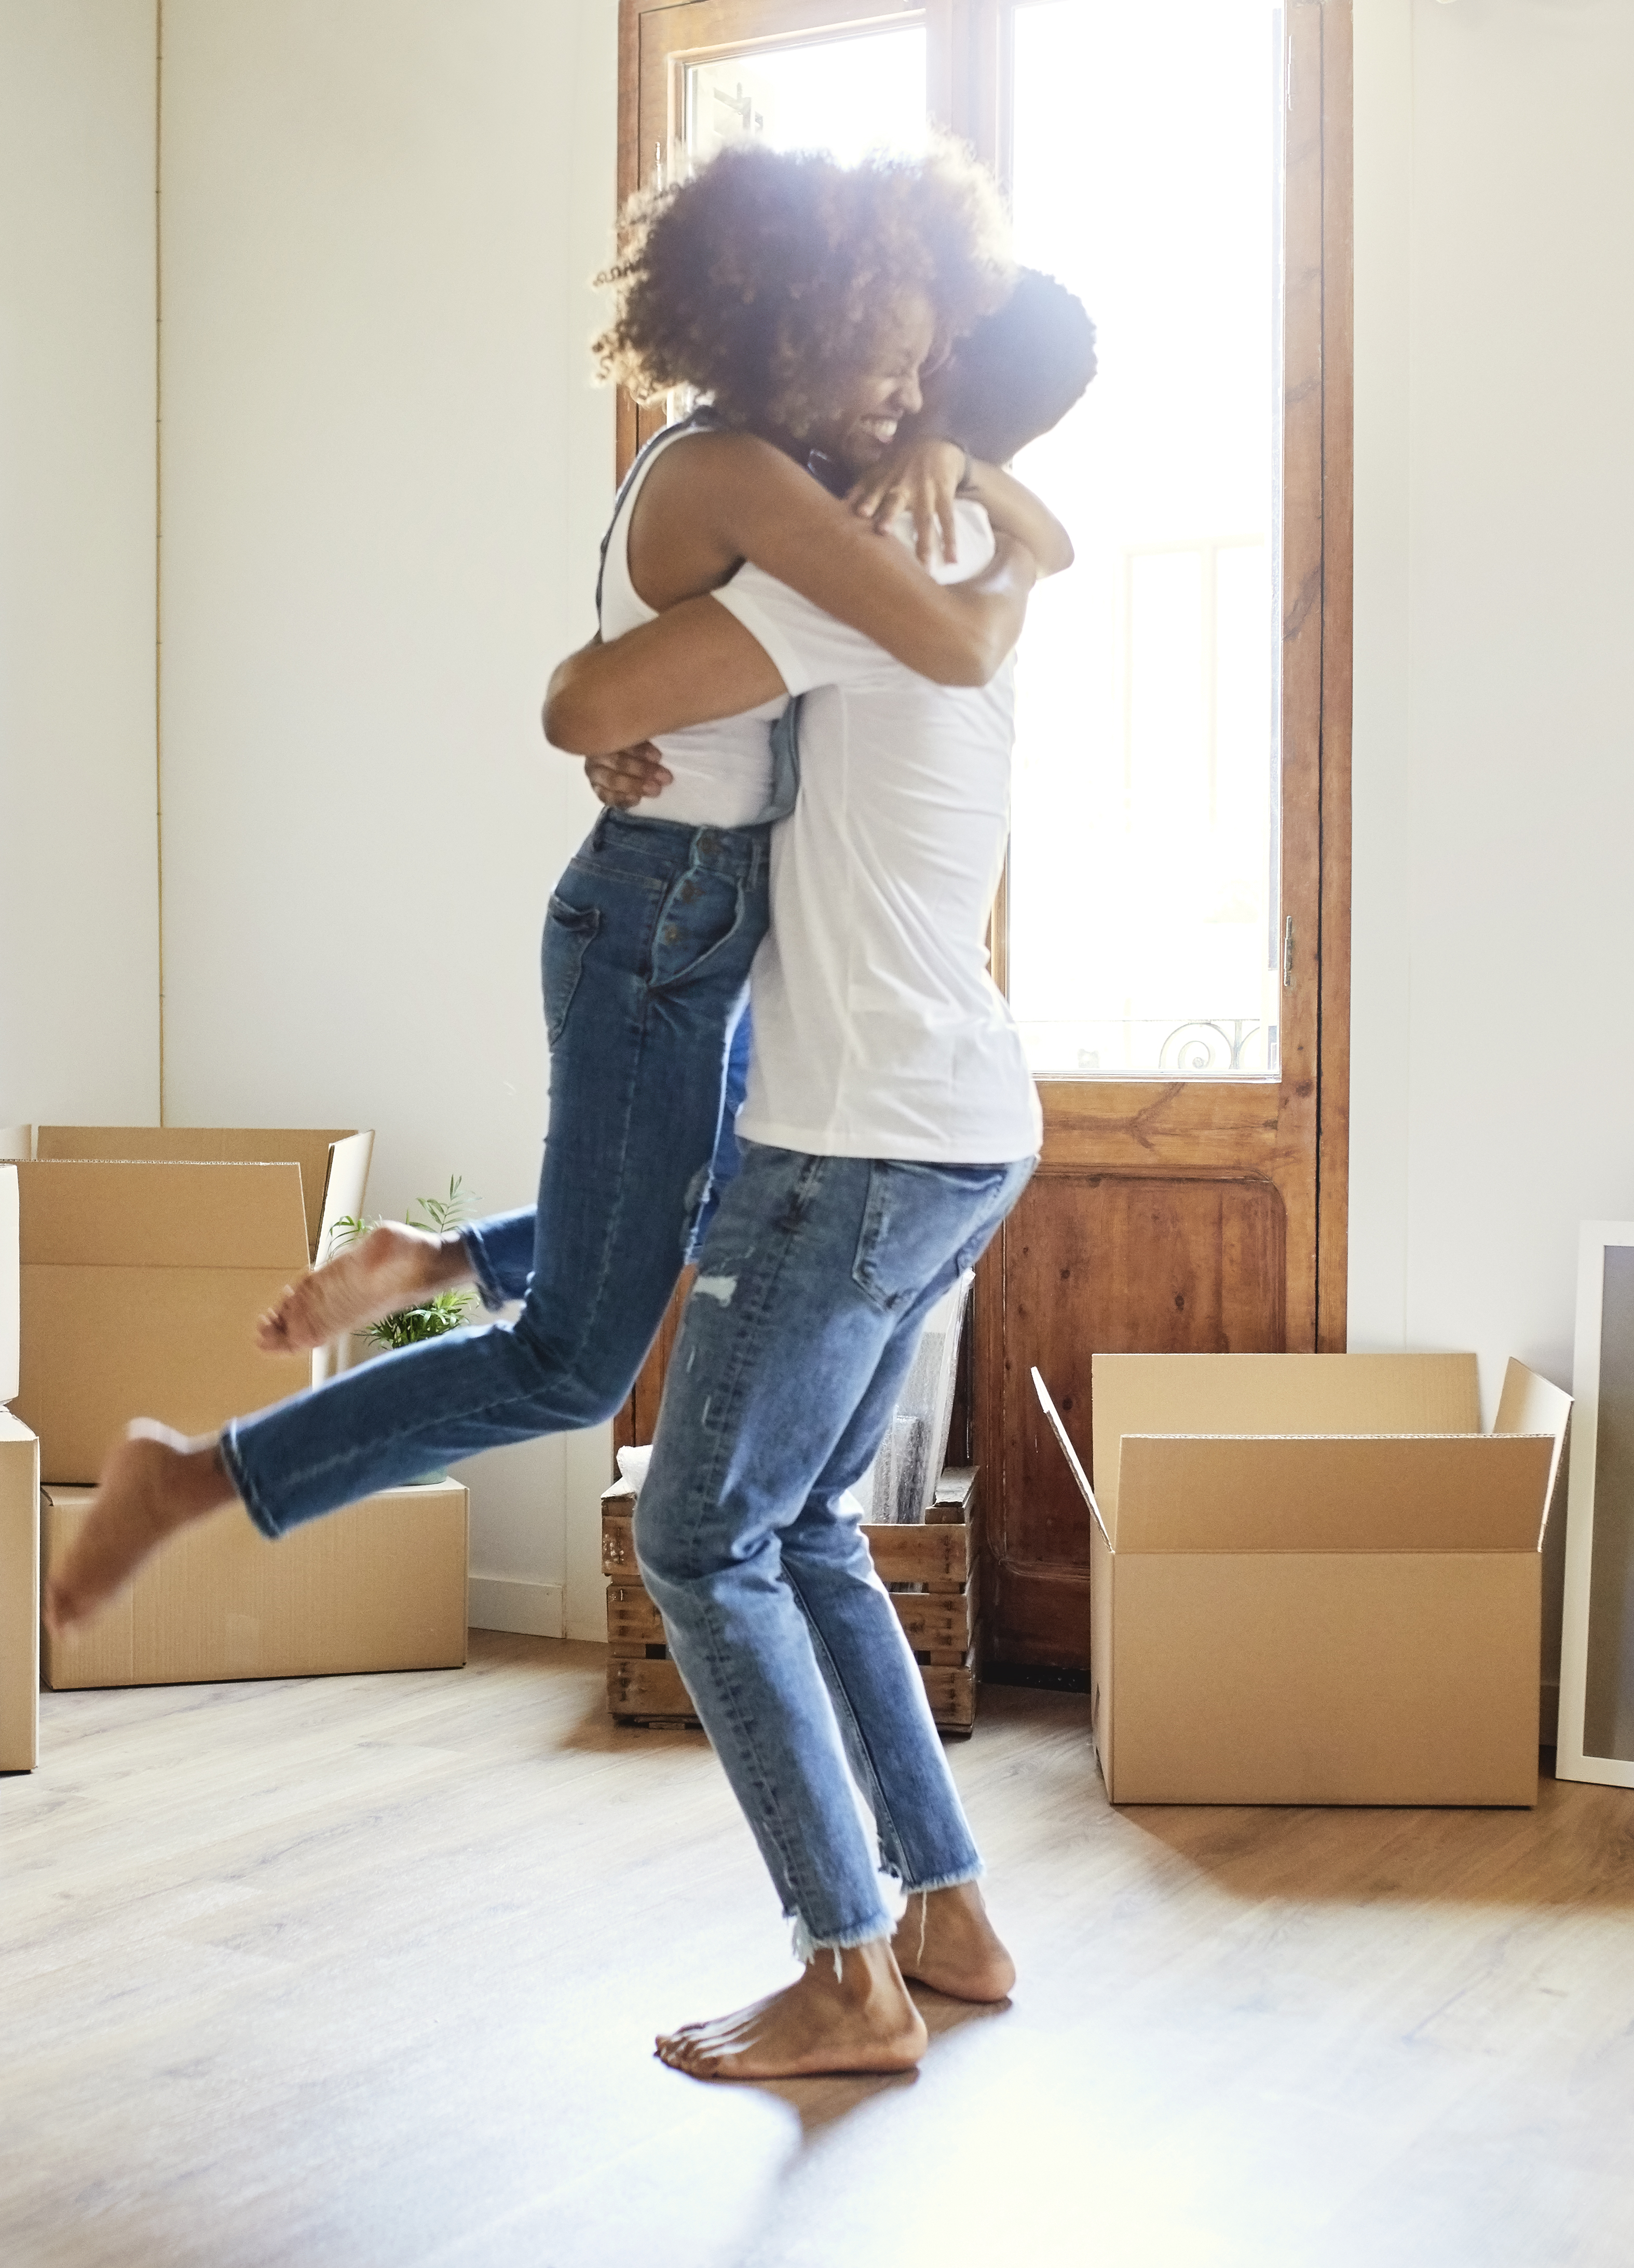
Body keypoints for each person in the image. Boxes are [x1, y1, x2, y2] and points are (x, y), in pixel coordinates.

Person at [48, 144, 1051, 1630]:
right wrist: (1008, 535)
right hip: (654, 919)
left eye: (927, 373)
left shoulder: (754, 467)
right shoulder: (739, 476)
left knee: (726, 1209)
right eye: (891, 366)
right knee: (576, 1360)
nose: (906, 398)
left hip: (691, 907)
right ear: (804, 329)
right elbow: (900, 652)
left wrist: (957, 461)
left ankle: (434, 1258)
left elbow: (626, 683)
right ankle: (192, 1479)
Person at [538, 272, 1101, 2081]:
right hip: (959, 1118)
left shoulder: (853, 578)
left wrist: (599, 707)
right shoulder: (943, 557)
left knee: (700, 1536)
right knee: (805, 1530)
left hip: (855, 1130)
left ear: (919, 375)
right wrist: (1027, 534)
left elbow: (590, 699)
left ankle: (846, 1975)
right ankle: (945, 1908)